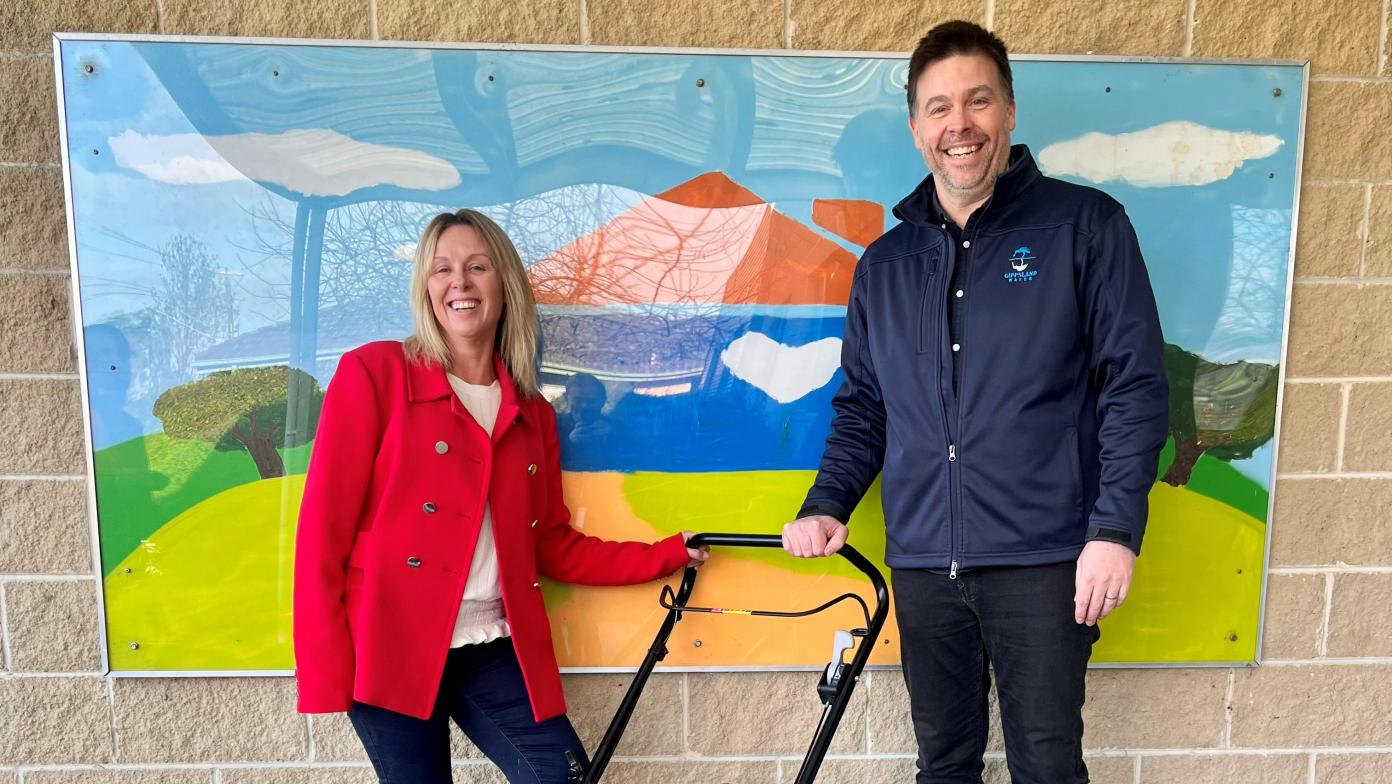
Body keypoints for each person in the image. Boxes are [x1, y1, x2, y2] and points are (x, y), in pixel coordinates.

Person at [781, 20, 1168, 784]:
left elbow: (1135, 384)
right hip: (925, 565)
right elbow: (864, 407)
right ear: (917, 128)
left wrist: (1116, 530)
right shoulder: (885, 265)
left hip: (1047, 561)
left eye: (977, 102)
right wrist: (828, 502)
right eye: (938, 108)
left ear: (1010, 112)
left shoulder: (1084, 227)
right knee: (944, 765)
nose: (959, 125)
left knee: (1048, 766)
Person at [293, 209, 708, 784]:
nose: (458, 282)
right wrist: (326, 673)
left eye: (476, 267)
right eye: (441, 269)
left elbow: (554, 545)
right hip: (389, 646)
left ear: (503, 285)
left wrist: (665, 553)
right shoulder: (375, 374)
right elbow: (321, 535)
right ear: (426, 287)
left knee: (560, 777)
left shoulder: (532, 413)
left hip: (490, 648)